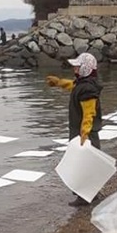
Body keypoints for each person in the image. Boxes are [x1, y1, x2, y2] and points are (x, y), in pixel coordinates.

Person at [46, 52, 103, 207]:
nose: (75, 69)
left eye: (78, 67)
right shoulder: (83, 84)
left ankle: (84, 197)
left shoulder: (88, 89)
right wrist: (58, 82)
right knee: (88, 164)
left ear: (86, 68)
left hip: (85, 134)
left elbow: (89, 113)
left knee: (83, 165)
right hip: (82, 132)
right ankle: (93, 193)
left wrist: (84, 135)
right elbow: (72, 85)